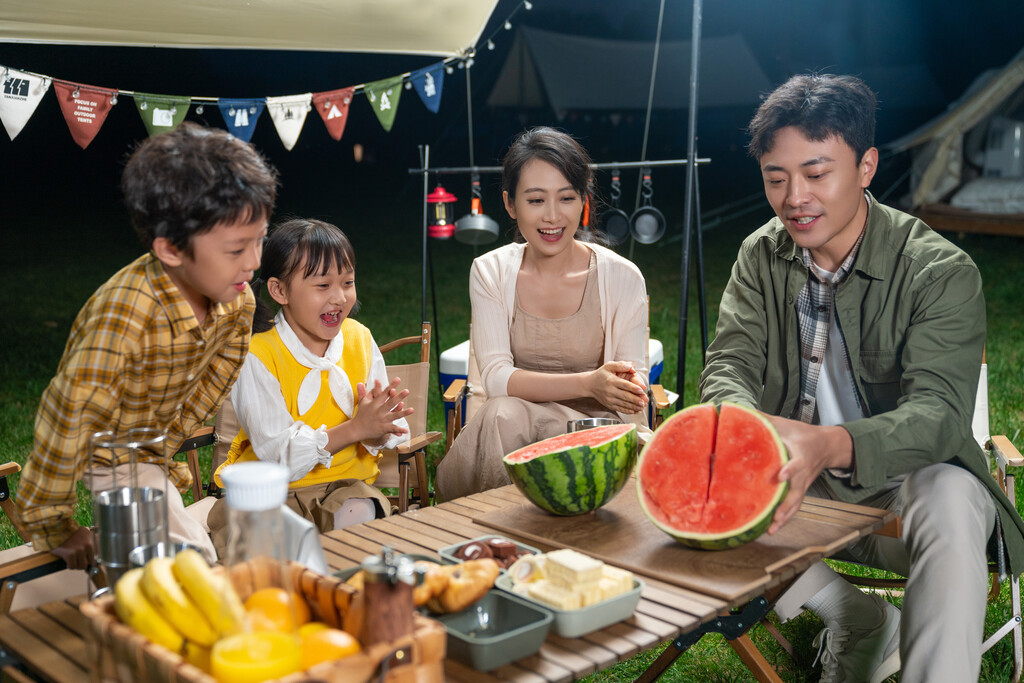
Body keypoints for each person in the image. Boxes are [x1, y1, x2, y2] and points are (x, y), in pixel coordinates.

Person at [699, 73, 1024, 683]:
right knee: (702, 471)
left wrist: (830, 445)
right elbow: (728, 365)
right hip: (796, 495)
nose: (795, 197)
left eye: (817, 174)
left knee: (953, 500)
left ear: (866, 166)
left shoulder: (940, 271)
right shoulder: (759, 254)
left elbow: (938, 416)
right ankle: (854, 615)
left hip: (905, 498)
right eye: (776, 178)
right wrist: (740, 424)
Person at [16, 122, 279, 567]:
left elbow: (214, 381)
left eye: (260, 240)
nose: (254, 262)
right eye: (236, 250)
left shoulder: (236, 304)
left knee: (182, 547)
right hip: (110, 448)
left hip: (148, 450)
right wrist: (52, 524)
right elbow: (69, 414)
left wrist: (163, 446)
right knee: (190, 565)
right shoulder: (124, 318)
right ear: (172, 250)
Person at [435, 127, 650, 501]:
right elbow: (498, 379)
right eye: (536, 200)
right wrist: (589, 383)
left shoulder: (623, 276)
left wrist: (624, 386)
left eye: (566, 198)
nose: (553, 217)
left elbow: (633, 385)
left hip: (593, 433)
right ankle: (495, 538)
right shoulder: (489, 272)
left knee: (511, 417)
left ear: (583, 199)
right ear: (510, 203)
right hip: (511, 434)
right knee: (503, 413)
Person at [206, 218, 412, 552]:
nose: (340, 297)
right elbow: (277, 455)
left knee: (361, 513)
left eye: (347, 282)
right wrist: (356, 428)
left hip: (345, 487)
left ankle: (343, 590)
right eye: (322, 286)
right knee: (265, 548)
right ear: (279, 290)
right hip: (267, 494)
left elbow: (388, 426)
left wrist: (378, 429)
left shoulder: (359, 339)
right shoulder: (257, 354)